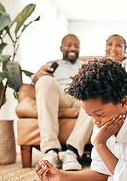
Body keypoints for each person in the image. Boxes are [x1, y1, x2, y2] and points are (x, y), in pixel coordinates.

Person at [32, 34, 93, 171]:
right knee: (45, 80)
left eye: (76, 46)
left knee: (94, 91)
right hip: (60, 96)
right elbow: (35, 82)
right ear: (61, 48)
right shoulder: (51, 65)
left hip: (80, 97)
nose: (72, 48)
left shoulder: (86, 65)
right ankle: (51, 151)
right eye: (68, 45)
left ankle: (72, 152)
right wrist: (37, 77)